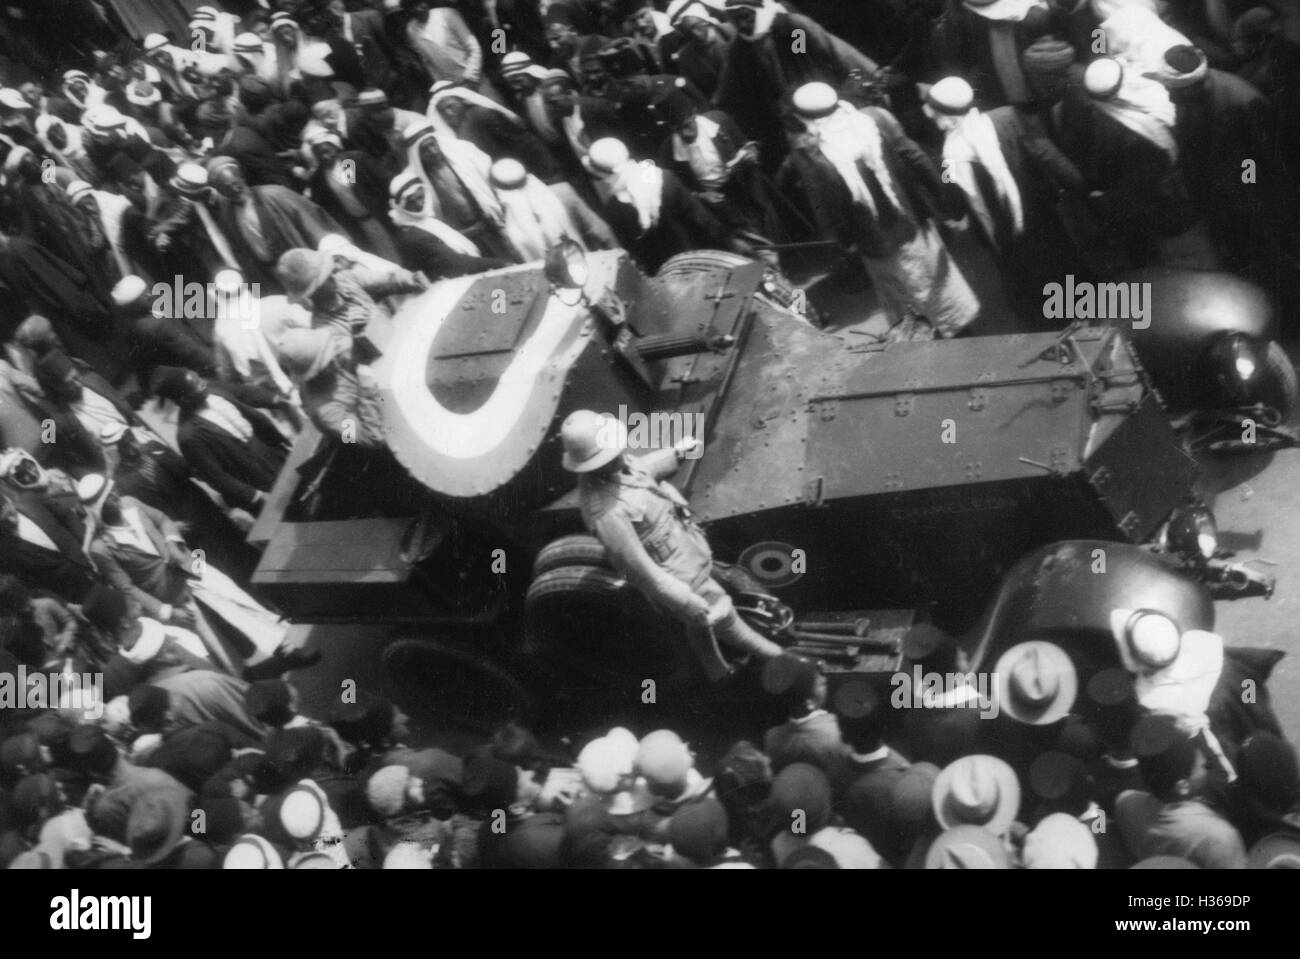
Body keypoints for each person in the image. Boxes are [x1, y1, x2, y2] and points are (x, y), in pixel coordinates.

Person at [561, 409, 782, 680]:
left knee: (702, 622)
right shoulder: (605, 512)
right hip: (678, 575)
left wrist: (678, 452)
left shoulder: (616, 468)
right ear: (594, 464)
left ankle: (716, 667)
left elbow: (644, 470)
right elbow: (638, 569)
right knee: (722, 617)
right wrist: (682, 599)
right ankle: (771, 658)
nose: (620, 454)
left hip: (688, 549)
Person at [780, 82, 979, 339]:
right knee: (939, 284)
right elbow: (916, 157)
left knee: (904, 296)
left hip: (876, 242)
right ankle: (964, 335)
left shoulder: (810, 152)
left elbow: (828, 205)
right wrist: (945, 203)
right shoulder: (873, 119)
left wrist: (845, 242)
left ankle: (929, 347)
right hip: (913, 223)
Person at [149, 366, 289, 518]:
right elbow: (217, 478)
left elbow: (243, 392)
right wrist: (256, 496)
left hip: (274, 455)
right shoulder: (189, 436)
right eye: (197, 385)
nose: (203, 385)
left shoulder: (214, 388)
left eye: (199, 379)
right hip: (258, 482)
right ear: (184, 399)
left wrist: (274, 399)